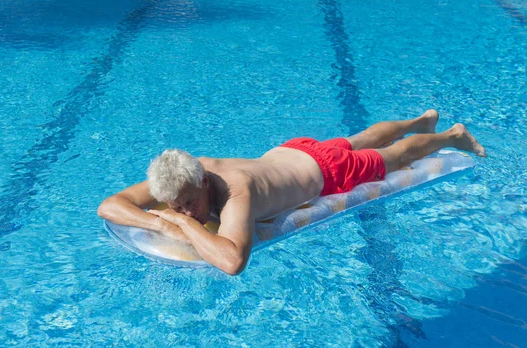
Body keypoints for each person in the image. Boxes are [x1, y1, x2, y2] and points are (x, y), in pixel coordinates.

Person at [98, 110, 485, 275]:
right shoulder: (179, 174)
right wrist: (158, 221)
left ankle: (451, 135)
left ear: (202, 182)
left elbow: (233, 263)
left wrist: (182, 226)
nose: (185, 211)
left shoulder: (235, 191)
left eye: (189, 205)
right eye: (176, 206)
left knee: (394, 157)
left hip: (326, 173)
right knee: (360, 138)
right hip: (292, 151)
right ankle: (420, 118)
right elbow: (109, 205)